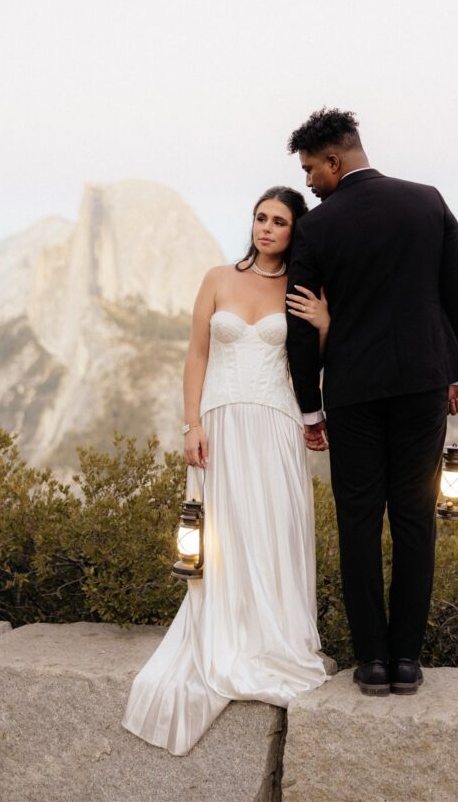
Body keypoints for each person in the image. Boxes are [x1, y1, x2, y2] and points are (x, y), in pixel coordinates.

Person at [121, 186, 332, 756]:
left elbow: (322, 359)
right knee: (226, 533)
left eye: (279, 221)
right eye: (261, 218)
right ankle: (230, 634)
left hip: (277, 423)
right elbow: (197, 354)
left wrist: (326, 321)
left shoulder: (301, 287)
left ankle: (276, 637)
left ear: (295, 230)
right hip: (220, 422)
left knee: (275, 529)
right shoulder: (217, 277)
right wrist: (191, 424)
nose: (266, 228)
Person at [284, 108, 458, 697]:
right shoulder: (428, 202)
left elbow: (299, 321)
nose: (310, 182)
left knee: (359, 522)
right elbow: (454, 294)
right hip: (422, 384)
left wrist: (309, 406)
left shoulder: (317, 227)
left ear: (335, 161)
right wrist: (457, 370)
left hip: (354, 393)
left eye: (312, 169)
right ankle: (408, 662)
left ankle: (371, 662)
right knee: (416, 520)